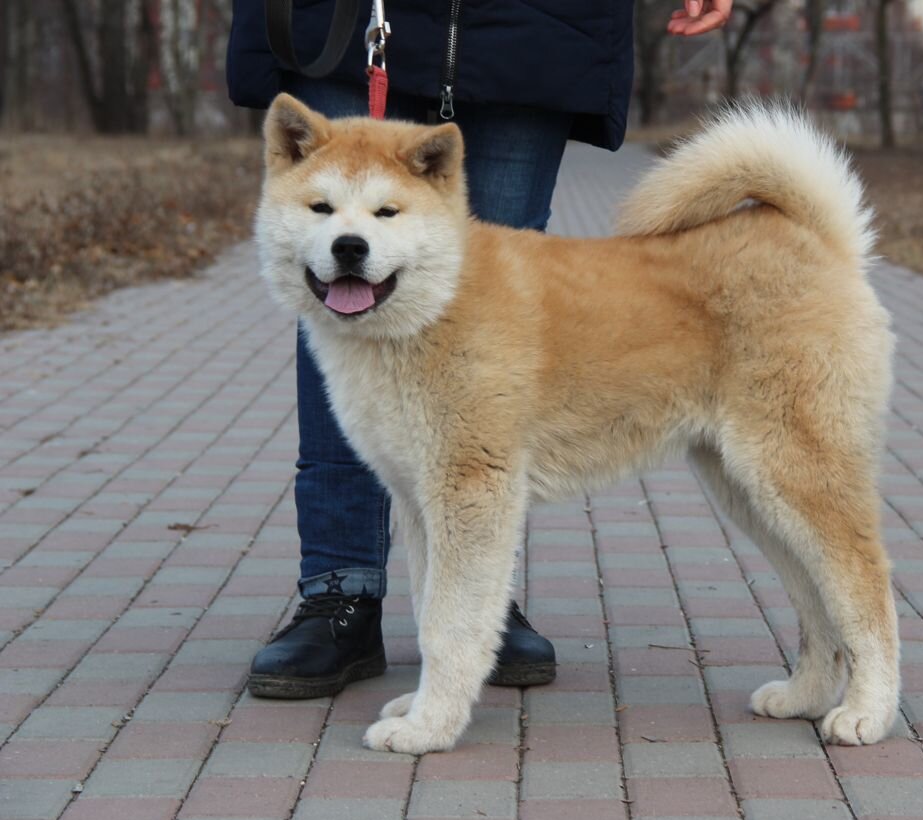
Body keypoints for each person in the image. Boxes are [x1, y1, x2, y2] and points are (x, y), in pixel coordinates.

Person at [225, 0, 733, 699]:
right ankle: (339, 589)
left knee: (499, 302)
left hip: (535, 25)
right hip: (344, 16)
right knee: (342, 296)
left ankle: (474, 607)